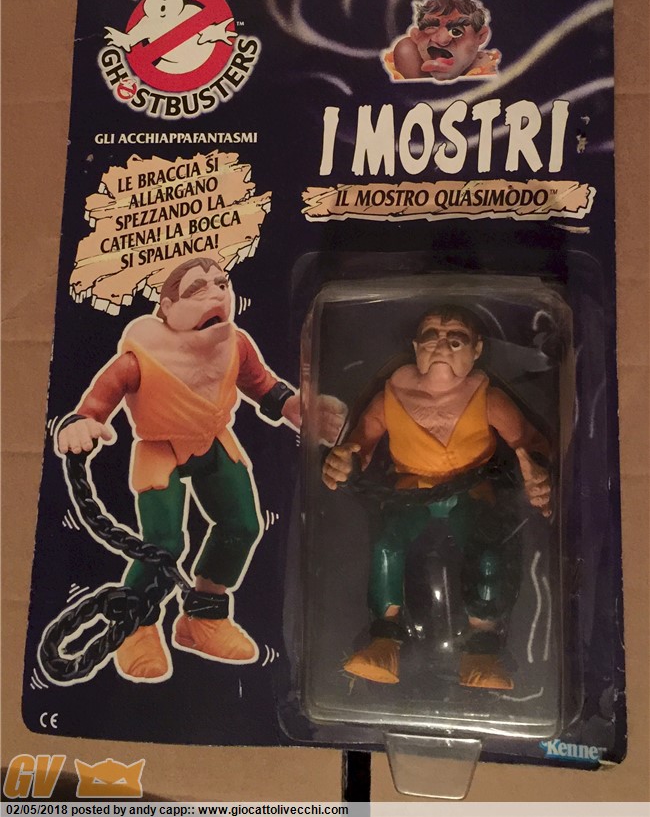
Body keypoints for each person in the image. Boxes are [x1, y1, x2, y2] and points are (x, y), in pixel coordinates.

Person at [58, 257, 344, 683]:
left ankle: (203, 617)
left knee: (242, 525)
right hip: (160, 448)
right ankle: (136, 623)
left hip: (213, 441)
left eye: (222, 284)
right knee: (164, 543)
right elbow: (98, 401)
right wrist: (81, 423)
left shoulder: (236, 345)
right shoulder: (140, 357)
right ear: (167, 307)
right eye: (197, 289)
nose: (216, 293)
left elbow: (261, 385)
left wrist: (296, 407)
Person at [322, 306, 551, 689]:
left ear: (477, 350)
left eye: (455, 338)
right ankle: (385, 638)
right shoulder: (391, 396)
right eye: (431, 336)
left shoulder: (487, 398)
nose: (442, 345)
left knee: (488, 549)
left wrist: (538, 473)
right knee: (386, 543)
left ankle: (483, 645)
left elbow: (529, 441)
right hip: (411, 491)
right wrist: (344, 460)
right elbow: (361, 443)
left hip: (471, 491)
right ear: (416, 347)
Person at [387, 0, 500, 82]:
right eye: (431, 28)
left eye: (456, 31)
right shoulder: (406, 59)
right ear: (416, 36)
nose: (442, 40)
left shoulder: (487, 67)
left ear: (480, 37)